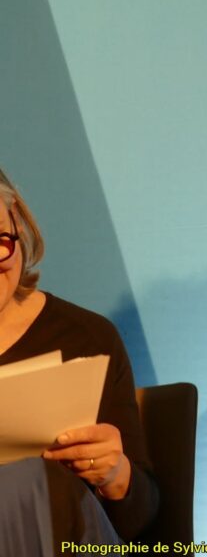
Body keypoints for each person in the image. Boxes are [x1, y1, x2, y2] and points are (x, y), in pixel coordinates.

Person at [0, 169, 158, 556]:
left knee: (27, 480)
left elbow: (142, 521)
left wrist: (114, 475)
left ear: (16, 220)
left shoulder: (86, 338)